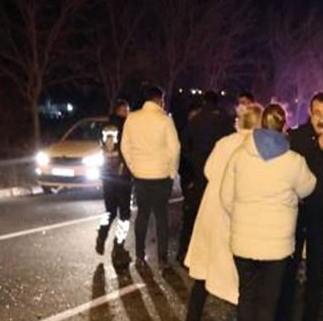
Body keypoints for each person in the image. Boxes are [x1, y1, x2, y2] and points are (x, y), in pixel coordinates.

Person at [221, 104, 317, 321]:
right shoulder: (293, 161)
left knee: (246, 297)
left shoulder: (240, 156)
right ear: (284, 126)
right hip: (276, 245)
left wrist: (241, 217)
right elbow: (309, 186)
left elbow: (226, 197)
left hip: (242, 242)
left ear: (261, 125)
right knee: (267, 301)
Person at [179, 102, 264, 321]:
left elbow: (207, 170)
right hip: (233, 215)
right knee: (244, 278)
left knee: (205, 272)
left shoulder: (224, 143)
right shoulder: (255, 147)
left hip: (210, 212)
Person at [277, 92, 323, 321]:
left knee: (315, 272)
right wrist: (316, 146)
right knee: (288, 270)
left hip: (320, 216)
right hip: (295, 213)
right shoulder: (296, 137)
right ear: (310, 113)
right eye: (317, 114)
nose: (321, 119)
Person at [122, 84, 181, 267]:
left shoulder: (132, 118)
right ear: (157, 100)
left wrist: (134, 167)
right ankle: (162, 258)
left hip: (141, 176)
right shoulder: (165, 120)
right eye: (162, 100)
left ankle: (140, 255)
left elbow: (125, 146)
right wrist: (172, 172)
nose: (163, 103)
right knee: (161, 217)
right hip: (161, 176)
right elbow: (175, 148)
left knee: (142, 215)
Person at [178, 90, 235, 265]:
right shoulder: (226, 120)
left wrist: (193, 161)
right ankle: (217, 255)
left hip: (199, 174)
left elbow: (184, 146)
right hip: (222, 174)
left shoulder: (196, 120)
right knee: (220, 217)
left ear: (203, 102)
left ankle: (187, 253)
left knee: (195, 215)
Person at [96, 99, 133, 270]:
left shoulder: (105, 127)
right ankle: (119, 246)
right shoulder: (125, 127)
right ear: (122, 110)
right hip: (122, 175)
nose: (128, 113)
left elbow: (106, 149)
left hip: (107, 176)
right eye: (127, 110)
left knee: (109, 211)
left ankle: (101, 235)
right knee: (124, 214)